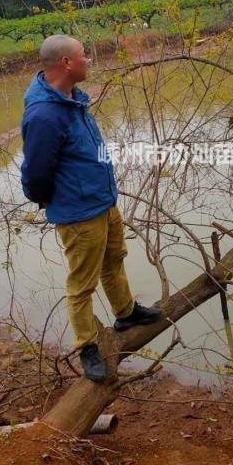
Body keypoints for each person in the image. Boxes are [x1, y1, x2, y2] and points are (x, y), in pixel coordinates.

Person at [20, 34, 161, 382]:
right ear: (66, 63)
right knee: (82, 284)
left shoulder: (72, 100)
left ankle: (126, 312)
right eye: (84, 56)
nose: (89, 62)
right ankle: (87, 346)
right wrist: (47, 198)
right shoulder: (44, 115)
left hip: (102, 201)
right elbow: (36, 173)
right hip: (79, 213)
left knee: (115, 260)